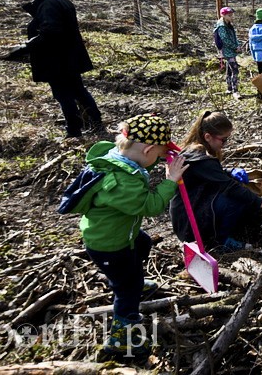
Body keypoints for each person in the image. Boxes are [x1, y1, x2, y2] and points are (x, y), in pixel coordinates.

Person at [79, 113, 187, 358]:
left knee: (143, 242)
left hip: (116, 235)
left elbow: (142, 168)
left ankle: (126, 278)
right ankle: (121, 338)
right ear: (147, 149)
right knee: (127, 292)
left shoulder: (119, 159)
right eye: (159, 154)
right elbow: (151, 206)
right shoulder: (122, 181)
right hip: (109, 245)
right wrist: (170, 180)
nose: (160, 158)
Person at [2, 0, 102, 138]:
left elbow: (51, 33)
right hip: (67, 56)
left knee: (64, 95)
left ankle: (74, 131)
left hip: (57, 59)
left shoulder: (50, 4)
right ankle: (95, 123)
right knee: (78, 91)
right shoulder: (57, 0)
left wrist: (24, 47)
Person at [170, 110, 262, 251]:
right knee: (235, 197)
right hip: (189, 224)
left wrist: (230, 172)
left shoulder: (198, 150)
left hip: (195, 208)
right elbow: (229, 187)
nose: (226, 143)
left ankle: (231, 227)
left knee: (239, 191)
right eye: (223, 139)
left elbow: (211, 175)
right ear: (208, 136)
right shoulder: (200, 158)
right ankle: (220, 242)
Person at [214, 6, 242, 98]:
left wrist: (238, 45)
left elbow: (233, 37)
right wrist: (235, 47)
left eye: (232, 15)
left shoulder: (228, 24)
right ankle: (235, 91)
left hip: (231, 50)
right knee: (235, 70)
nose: (231, 17)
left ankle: (229, 88)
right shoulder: (222, 26)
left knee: (229, 69)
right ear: (223, 16)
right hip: (227, 51)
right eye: (229, 15)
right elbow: (225, 39)